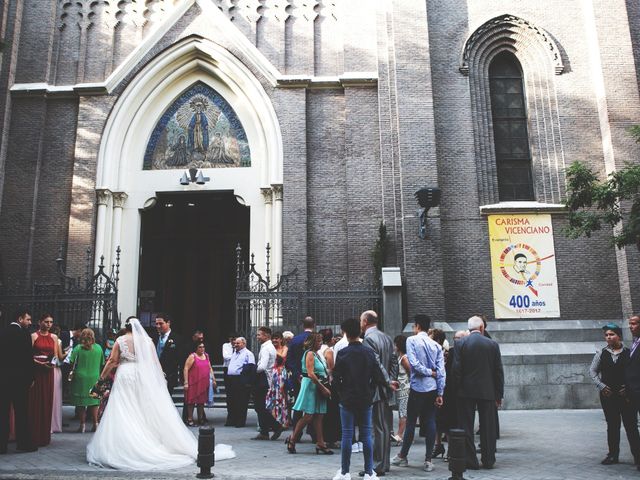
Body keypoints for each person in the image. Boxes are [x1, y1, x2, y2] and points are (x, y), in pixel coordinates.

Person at [87, 318, 235, 469]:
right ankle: (147, 439)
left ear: (126, 328)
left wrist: (101, 379)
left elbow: (112, 360)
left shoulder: (121, 340)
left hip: (125, 374)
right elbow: (155, 362)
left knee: (123, 406)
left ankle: (122, 445)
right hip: (143, 376)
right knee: (142, 407)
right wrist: (159, 379)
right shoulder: (148, 341)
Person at [332, 317, 389, 480]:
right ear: (360, 331)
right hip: (365, 398)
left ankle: (345, 472)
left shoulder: (343, 353)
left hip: (348, 398)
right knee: (366, 435)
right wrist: (371, 390)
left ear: (346, 333)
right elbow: (378, 376)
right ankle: (369, 472)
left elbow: (336, 378)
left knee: (347, 435)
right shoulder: (368, 352)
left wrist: (341, 393)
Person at [391, 314, 445, 473]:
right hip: (432, 389)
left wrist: (428, 372)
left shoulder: (411, 340)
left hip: (417, 388)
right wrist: (440, 392)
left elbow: (414, 364)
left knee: (411, 422)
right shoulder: (436, 345)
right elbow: (441, 372)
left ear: (417, 326)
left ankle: (402, 456)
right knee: (430, 422)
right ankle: (428, 460)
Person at [452, 315, 504, 470]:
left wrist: (456, 389)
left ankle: (470, 460)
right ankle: (488, 460)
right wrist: (498, 394)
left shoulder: (461, 344)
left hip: (465, 392)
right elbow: (498, 372)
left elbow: (456, 370)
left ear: (469, 328)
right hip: (487, 391)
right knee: (488, 426)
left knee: (466, 426)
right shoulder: (492, 345)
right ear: (482, 328)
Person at [590, 322, 640, 466]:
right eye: (606, 335)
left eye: (611, 334)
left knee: (631, 426)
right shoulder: (601, 353)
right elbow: (592, 371)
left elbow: (636, 373)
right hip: (608, 396)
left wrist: (629, 388)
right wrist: (601, 385)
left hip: (626, 397)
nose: (608, 337)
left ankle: (638, 457)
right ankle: (613, 455)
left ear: (619, 336)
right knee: (612, 425)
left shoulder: (629, 352)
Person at [361, 310, 397, 476]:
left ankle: (377, 465)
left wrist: (388, 382)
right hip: (386, 388)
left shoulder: (368, 339)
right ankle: (385, 463)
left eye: (361, 321)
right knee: (385, 426)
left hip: (376, 389)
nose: (360, 324)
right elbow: (394, 361)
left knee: (378, 428)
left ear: (366, 321)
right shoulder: (387, 337)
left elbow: (375, 364)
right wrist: (391, 380)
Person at [285, 332, 332, 455]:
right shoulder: (310, 354)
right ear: (312, 342)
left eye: (321, 340)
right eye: (318, 341)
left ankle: (320, 442)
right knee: (308, 416)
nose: (321, 343)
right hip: (312, 386)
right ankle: (293, 439)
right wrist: (323, 388)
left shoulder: (317, 354)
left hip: (317, 385)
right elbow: (311, 374)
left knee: (319, 416)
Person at [0, 310, 37, 454]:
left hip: (3, 379)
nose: (29, 322)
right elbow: (28, 358)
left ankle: (2, 445)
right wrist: (31, 378)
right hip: (20, 381)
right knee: (21, 412)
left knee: (3, 412)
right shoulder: (24, 334)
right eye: (27, 319)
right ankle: (23, 443)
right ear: (20, 319)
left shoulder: (2, 332)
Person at [28, 313, 65, 446]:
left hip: (49, 372)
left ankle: (44, 436)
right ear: (40, 322)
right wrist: (39, 364)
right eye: (46, 322)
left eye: (51, 322)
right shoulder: (33, 336)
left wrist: (52, 364)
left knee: (47, 401)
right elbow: (28, 355)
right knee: (35, 401)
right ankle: (34, 435)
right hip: (37, 371)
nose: (49, 324)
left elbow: (55, 355)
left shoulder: (54, 337)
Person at [69, 328, 104, 433]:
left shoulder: (78, 348)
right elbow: (102, 363)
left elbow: (71, 361)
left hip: (80, 377)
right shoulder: (98, 348)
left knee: (81, 403)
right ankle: (95, 423)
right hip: (94, 377)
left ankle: (82, 425)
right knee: (94, 402)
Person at [285, 316, 315, 432]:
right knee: (313, 404)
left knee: (298, 403)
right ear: (314, 325)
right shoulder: (316, 339)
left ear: (303, 325)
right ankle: (312, 431)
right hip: (313, 377)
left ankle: (296, 433)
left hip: (298, 377)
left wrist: (297, 374)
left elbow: (289, 360)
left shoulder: (295, 340)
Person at [252, 327, 283, 440]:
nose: (257, 337)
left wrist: (252, 370)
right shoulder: (269, 347)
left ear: (266, 335)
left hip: (262, 379)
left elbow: (262, 367)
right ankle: (264, 431)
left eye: (259, 335)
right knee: (260, 406)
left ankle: (276, 426)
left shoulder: (266, 348)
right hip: (266, 379)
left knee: (259, 406)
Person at [183, 341, 216, 426]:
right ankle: (190, 419)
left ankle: (200, 418)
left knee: (201, 402)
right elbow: (186, 368)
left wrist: (213, 379)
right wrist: (186, 382)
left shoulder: (206, 356)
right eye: (200, 347)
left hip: (203, 382)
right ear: (196, 348)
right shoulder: (192, 356)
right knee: (191, 401)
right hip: (193, 382)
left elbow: (210, 367)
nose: (202, 349)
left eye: (203, 347)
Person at [225, 337, 255, 427]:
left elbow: (251, 368)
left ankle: (240, 421)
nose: (235, 345)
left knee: (241, 401)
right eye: (235, 343)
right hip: (231, 379)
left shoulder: (248, 354)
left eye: (238, 343)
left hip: (240, 379)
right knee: (231, 400)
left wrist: (247, 381)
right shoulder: (234, 353)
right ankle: (231, 420)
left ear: (244, 344)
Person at [154, 313, 183, 395]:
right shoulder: (153, 337)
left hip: (169, 375)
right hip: (154, 375)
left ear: (168, 323)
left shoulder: (177, 339)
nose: (158, 326)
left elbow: (179, 359)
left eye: (161, 323)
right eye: (156, 324)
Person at [625, 314, 640, 472]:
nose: (631, 326)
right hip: (631, 394)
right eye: (630, 324)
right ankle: (637, 455)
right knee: (630, 425)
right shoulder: (634, 343)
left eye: (634, 324)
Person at [266, 331, 290, 428]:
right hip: (271, 373)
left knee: (281, 395)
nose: (274, 340)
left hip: (280, 373)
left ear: (281, 339)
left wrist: (272, 350)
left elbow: (283, 357)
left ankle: (283, 420)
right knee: (271, 396)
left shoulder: (284, 348)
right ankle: (272, 420)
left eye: (277, 338)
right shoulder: (270, 348)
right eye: (273, 338)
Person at [391, 335, 410, 446]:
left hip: (405, 388)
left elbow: (410, 371)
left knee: (403, 412)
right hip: (402, 388)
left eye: (395, 344)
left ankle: (400, 435)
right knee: (402, 411)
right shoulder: (401, 357)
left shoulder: (404, 358)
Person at [50, 324, 64, 434]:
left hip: (48, 367)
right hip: (55, 369)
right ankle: (54, 423)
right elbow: (60, 357)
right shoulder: (58, 341)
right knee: (55, 396)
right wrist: (67, 352)